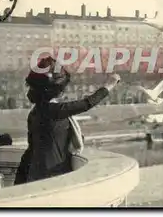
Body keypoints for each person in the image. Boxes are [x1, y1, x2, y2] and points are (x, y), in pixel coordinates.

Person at [14, 56, 121, 184]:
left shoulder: (35, 112)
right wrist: (109, 85)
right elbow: (87, 103)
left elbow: (31, 148)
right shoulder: (56, 110)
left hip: (36, 172)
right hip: (54, 172)